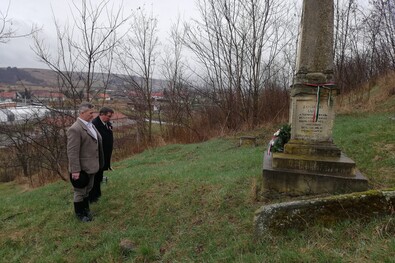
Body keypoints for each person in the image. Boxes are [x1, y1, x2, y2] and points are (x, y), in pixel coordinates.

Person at [67, 102, 104, 222]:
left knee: (88, 189)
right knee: (80, 191)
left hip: (92, 166)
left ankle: (86, 210)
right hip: (82, 168)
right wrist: (75, 170)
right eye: (90, 113)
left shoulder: (90, 125)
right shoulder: (75, 129)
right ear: (82, 113)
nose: (93, 115)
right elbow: (72, 152)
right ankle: (80, 214)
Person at [89, 106, 114, 203]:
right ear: (101, 114)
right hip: (97, 155)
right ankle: (92, 197)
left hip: (105, 155)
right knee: (95, 177)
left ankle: (97, 194)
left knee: (100, 176)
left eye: (110, 116)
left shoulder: (107, 123)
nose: (109, 118)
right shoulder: (95, 125)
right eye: (108, 116)